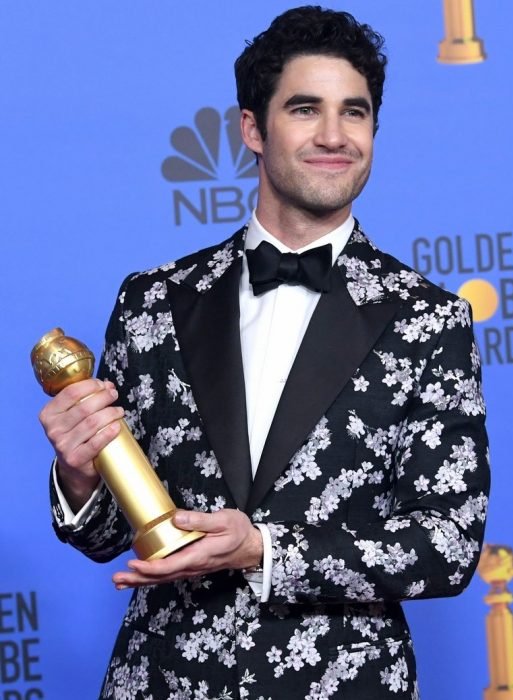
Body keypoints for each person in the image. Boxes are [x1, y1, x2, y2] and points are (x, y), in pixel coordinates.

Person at [39, 6, 489, 699]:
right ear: (251, 127)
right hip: (164, 680)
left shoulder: (428, 320)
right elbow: (108, 535)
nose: (334, 136)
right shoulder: (153, 301)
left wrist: (265, 549)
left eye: (355, 113)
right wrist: (78, 478)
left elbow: (446, 545)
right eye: (305, 109)